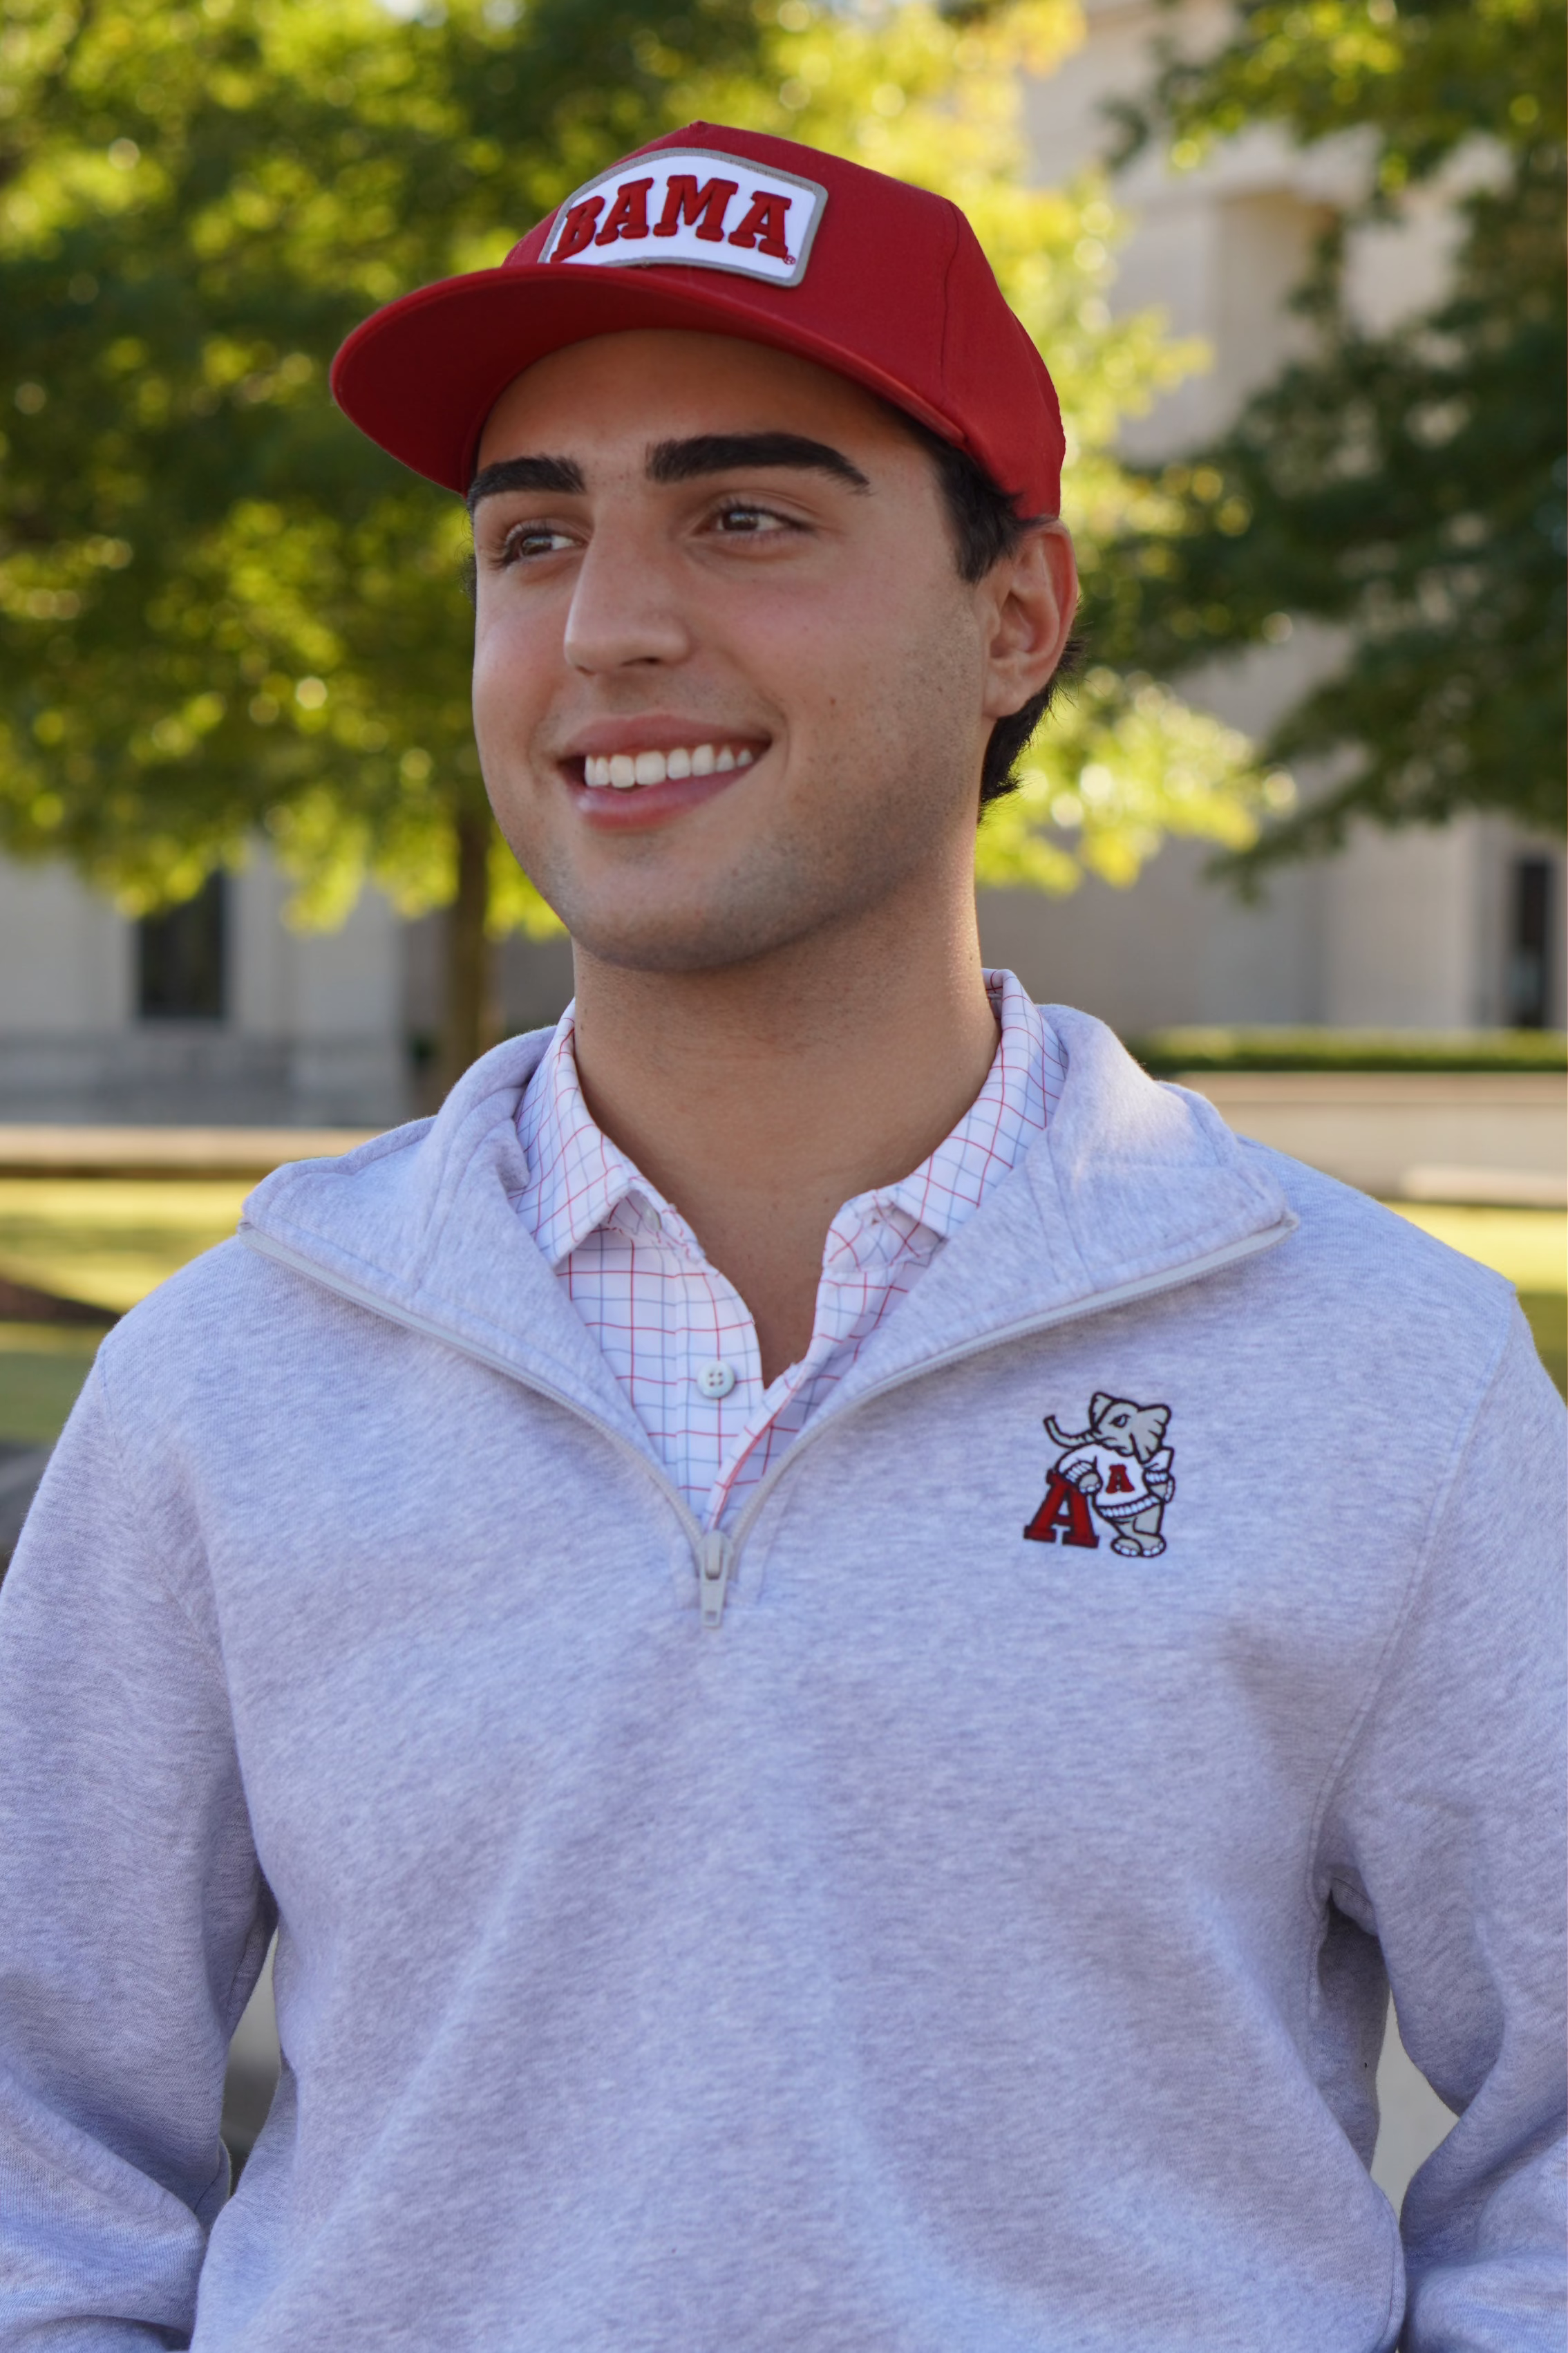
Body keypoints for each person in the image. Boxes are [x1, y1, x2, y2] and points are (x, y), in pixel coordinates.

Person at [0, 122, 1561, 2353]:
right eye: (531, 536)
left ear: (1017, 614)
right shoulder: (231, 1383)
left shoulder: (1375, 1372)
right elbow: (36, 2159)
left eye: (744, 516)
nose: (611, 625)